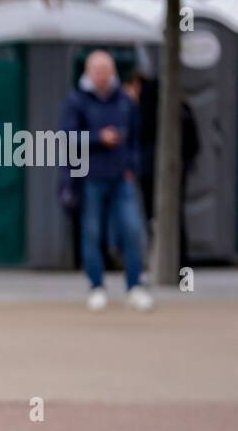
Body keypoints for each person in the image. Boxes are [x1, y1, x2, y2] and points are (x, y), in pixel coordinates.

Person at [59, 50, 152, 313]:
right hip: (90, 177)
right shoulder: (76, 101)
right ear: (88, 73)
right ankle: (96, 287)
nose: (101, 76)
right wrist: (99, 138)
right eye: (96, 71)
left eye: (106, 71)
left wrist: (132, 167)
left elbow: (135, 138)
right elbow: (67, 138)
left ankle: (135, 287)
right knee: (92, 233)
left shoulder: (125, 100)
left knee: (132, 231)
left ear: (112, 72)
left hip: (121, 177)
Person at [125, 70, 201, 267]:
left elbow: (139, 135)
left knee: (155, 216)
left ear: (135, 84)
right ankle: (179, 262)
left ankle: (165, 262)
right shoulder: (177, 101)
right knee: (175, 216)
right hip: (178, 168)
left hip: (151, 171)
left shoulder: (146, 108)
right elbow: (194, 141)